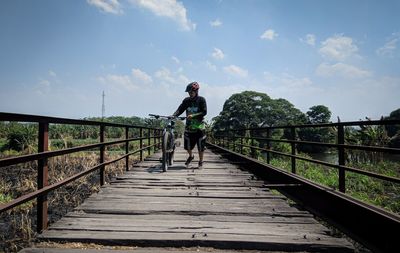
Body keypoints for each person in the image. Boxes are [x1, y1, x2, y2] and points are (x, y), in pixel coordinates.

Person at [172, 81, 207, 169]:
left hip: (199, 126)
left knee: (200, 145)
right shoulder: (186, 101)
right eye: (189, 92)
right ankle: (191, 156)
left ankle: (201, 161)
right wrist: (173, 115)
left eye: (191, 92)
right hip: (189, 126)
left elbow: (204, 112)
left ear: (196, 91)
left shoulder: (201, 100)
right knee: (187, 146)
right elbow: (180, 109)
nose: (190, 94)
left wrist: (194, 115)